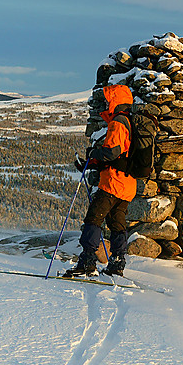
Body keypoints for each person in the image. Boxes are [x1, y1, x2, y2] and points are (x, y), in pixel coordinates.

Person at [65, 84, 137, 277]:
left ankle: (87, 262)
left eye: (109, 99)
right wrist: (90, 164)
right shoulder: (130, 122)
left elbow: (112, 153)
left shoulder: (118, 123)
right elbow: (121, 156)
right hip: (128, 184)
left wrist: (93, 153)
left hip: (113, 183)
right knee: (116, 223)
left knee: (93, 219)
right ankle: (117, 262)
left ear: (116, 101)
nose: (106, 103)